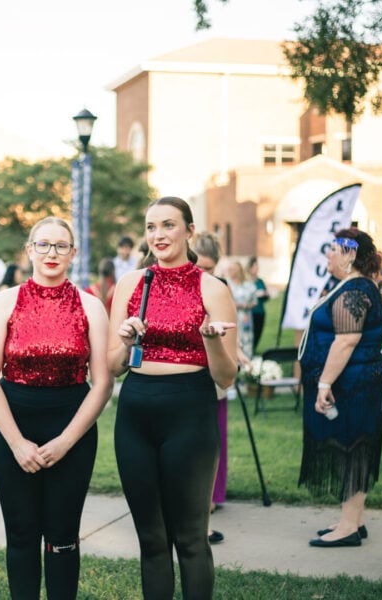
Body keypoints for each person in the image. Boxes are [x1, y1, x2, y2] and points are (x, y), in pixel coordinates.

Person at [109, 197, 238, 599]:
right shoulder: (131, 283)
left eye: (168, 225)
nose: (158, 235)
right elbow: (112, 366)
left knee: (191, 539)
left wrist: (210, 341)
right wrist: (125, 341)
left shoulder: (212, 288)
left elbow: (226, 376)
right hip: (136, 412)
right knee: (151, 540)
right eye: (151, 227)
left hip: (190, 412)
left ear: (189, 231)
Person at [0, 217, 111, 600]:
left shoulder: (91, 306)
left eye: (60, 246)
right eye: (43, 244)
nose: (51, 253)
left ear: (73, 252)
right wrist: (17, 443)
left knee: (63, 537)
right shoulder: (5, 302)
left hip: (72, 429)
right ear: (29, 250)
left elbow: (103, 383)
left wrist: (65, 442)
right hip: (12, 427)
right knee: (21, 534)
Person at [297, 227, 382, 548]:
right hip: (352, 381)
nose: (328, 254)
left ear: (350, 254)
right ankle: (353, 520)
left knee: (354, 447)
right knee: (353, 445)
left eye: (333, 249)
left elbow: (346, 341)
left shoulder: (355, 291)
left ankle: (349, 527)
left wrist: (324, 383)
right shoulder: (351, 286)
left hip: (354, 383)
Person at [191, 231, 230, 544]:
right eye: (201, 267)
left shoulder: (220, 289)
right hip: (186, 372)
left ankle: (211, 497)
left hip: (214, 370)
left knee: (213, 440)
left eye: (210, 268)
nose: (205, 274)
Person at [226, 259, 258, 358]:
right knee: (232, 337)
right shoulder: (226, 284)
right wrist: (235, 305)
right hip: (231, 316)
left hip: (245, 317)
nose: (230, 271)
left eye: (232, 269)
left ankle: (247, 360)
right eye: (229, 269)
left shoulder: (248, 285)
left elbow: (255, 301)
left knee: (247, 338)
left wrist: (247, 306)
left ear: (238, 270)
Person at [248, 256, 270, 350]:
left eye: (257, 267)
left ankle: (253, 349)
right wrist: (256, 294)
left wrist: (265, 294)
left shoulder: (260, 281)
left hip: (260, 312)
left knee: (258, 332)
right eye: (255, 267)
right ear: (250, 268)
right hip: (250, 312)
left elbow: (266, 295)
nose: (257, 269)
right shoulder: (247, 281)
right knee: (249, 332)